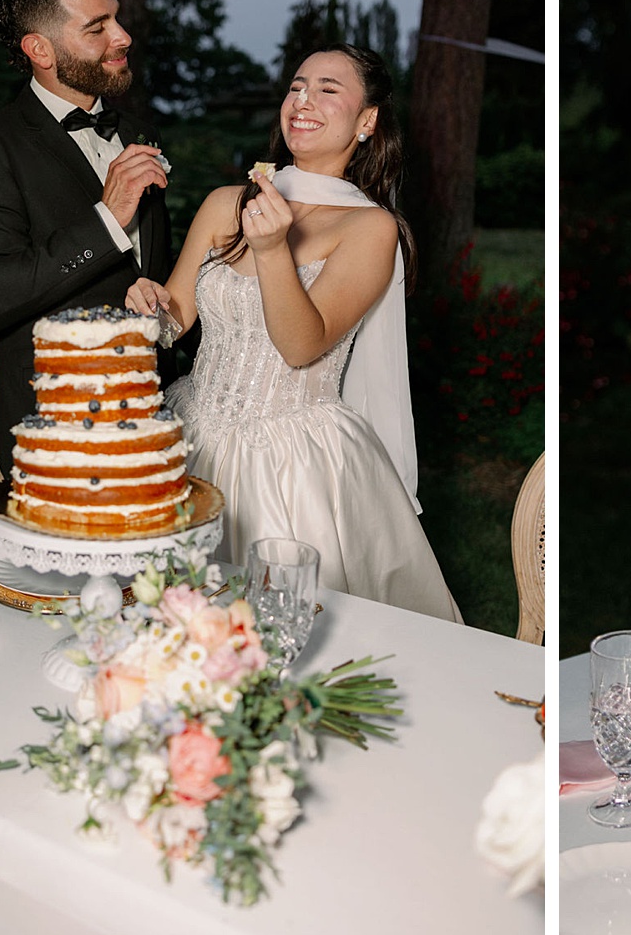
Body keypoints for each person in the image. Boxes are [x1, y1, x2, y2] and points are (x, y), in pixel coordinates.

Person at [130, 44, 457, 621]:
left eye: (328, 89)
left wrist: (274, 250)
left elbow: (303, 344)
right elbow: (175, 318)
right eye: (297, 86)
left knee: (282, 632)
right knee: (167, 617)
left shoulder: (370, 228)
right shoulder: (227, 202)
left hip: (291, 467)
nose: (302, 101)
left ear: (367, 120)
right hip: (190, 438)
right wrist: (148, 303)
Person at [0, 0, 174, 479]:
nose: (123, 37)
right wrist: (106, 219)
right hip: (57, 435)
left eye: (116, 16)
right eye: (98, 28)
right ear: (40, 50)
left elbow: (150, 274)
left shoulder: (139, 133)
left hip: (155, 416)